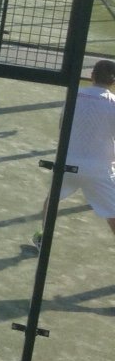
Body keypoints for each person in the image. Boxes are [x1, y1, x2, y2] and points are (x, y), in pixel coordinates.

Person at [31, 59, 115, 251]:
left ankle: (43, 237)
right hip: (100, 170)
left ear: (92, 76)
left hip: (66, 164)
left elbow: (63, 127)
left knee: (51, 200)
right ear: (113, 81)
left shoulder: (73, 96)